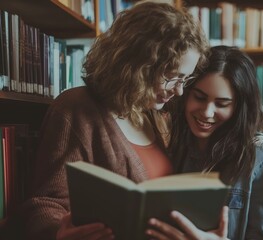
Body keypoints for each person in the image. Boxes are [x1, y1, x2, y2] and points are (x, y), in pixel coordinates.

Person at [16, 2, 228, 240]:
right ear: (138, 65)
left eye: (185, 79)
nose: (178, 91)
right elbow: (44, 204)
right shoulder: (77, 109)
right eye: (171, 78)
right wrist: (58, 232)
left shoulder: (160, 115)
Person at [148, 46, 263, 239]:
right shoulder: (172, 142)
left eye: (222, 104)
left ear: (239, 108)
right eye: (199, 97)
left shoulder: (261, 158)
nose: (207, 112)